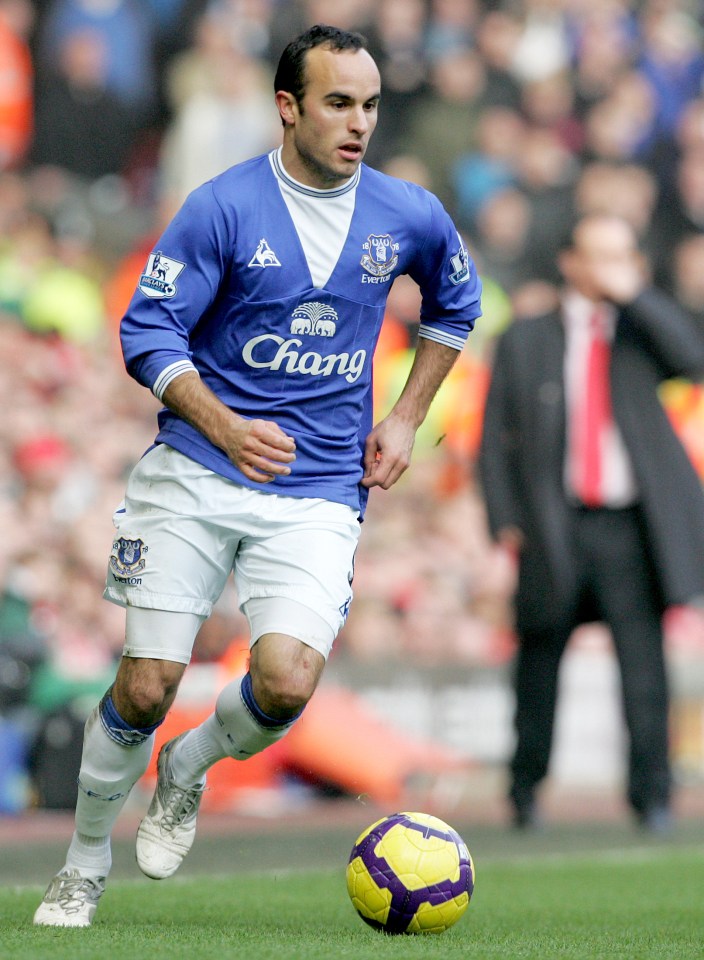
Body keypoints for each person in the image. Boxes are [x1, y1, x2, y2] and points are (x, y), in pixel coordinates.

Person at [33, 23, 482, 927]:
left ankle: (190, 768)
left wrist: (403, 417)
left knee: (285, 684)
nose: (358, 123)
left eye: (370, 106)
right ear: (288, 107)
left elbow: (456, 303)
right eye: (338, 103)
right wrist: (225, 424)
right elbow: (146, 332)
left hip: (317, 486)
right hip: (196, 471)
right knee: (146, 684)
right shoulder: (222, 206)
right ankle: (82, 864)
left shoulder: (408, 213)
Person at [478, 213, 704, 834]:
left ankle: (651, 797)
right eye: (600, 256)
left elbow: (693, 359)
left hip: (631, 527)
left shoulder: (639, 331)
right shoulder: (526, 337)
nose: (612, 268)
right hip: (554, 523)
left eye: (623, 256)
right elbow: (495, 439)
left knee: (643, 672)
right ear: (570, 261)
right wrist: (502, 525)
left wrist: (638, 297)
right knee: (538, 666)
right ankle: (524, 794)